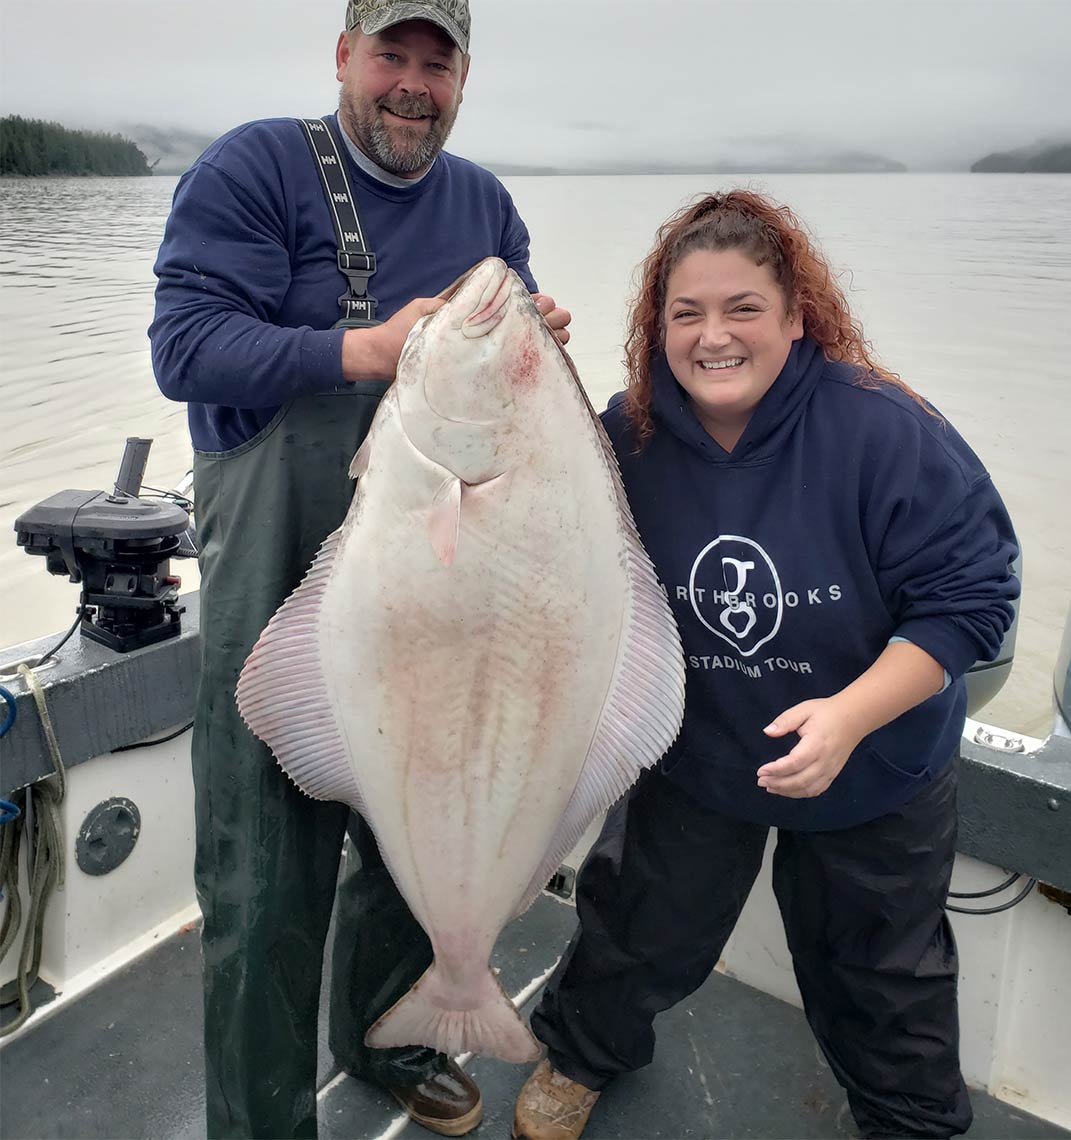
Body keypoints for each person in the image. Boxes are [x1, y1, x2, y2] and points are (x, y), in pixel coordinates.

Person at [512, 190, 1019, 1140]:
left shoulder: (883, 431)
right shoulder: (630, 434)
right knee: (635, 927)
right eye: (686, 313)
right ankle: (582, 1055)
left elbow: (972, 602)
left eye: (743, 308)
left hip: (874, 763)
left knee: (882, 977)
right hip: (698, 750)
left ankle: (910, 1124)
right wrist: (514, 359)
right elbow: (537, 523)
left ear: (796, 316)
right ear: (655, 326)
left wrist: (852, 716)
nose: (714, 337)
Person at [149, 3, 570, 1137]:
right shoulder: (257, 169)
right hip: (283, 574)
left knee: (416, 834)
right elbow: (182, 347)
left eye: (438, 63)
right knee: (264, 876)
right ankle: (262, 1119)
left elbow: (519, 333)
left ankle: (391, 1037)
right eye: (392, 54)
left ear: (465, 77)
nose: (412, 85)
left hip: (443, 592)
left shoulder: (483, 203)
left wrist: (537, 341)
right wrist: (365, 350)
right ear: (344, 56)